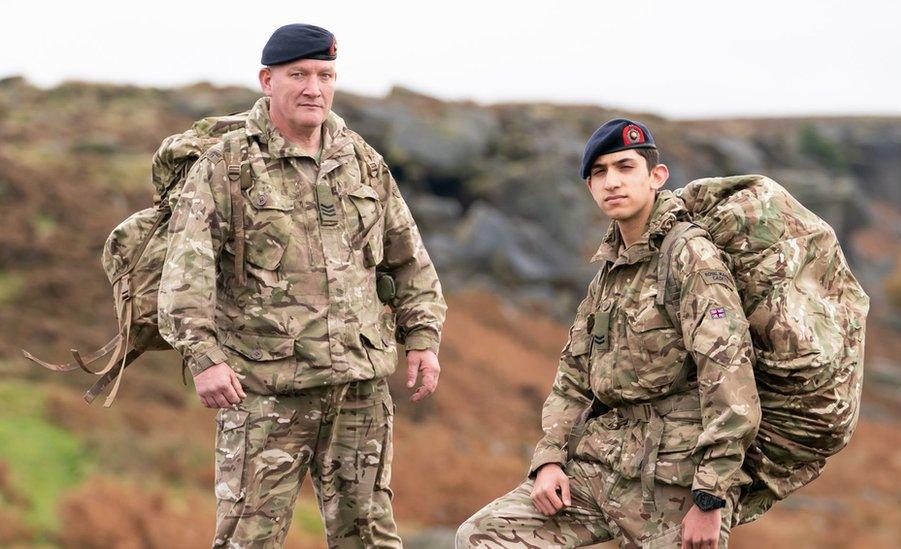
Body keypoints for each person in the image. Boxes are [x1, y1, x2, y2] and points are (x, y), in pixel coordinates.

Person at [158, 23, 446, 548]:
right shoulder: (225, 166)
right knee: (248, 540)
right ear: (267, 81)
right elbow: (185, 276)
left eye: (325, 75)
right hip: (266, 395)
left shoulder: (362, 161)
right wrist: (203, 357)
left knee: (371, 538)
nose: (314, 87)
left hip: (359, 391)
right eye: (299, 75)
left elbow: (411, 263)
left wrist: (423, 340)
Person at [456, 119, 760, 549]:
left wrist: (711, 498)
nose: (611, 181)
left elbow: (729, 379)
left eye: (624, 167)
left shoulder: (691, 258)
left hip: (671, 484)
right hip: (600, 467)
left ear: (656, 176)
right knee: (481, 538)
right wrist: (549, 460)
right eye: (599, 172)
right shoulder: (609, 273)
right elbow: (573, 377)